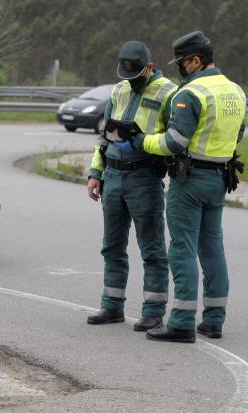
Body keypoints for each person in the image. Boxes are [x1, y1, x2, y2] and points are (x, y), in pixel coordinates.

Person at [128, 31, 246, 342]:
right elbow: (238, 134)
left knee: (182, 249)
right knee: (213, 250)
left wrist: (142, 140)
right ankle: (213, 321)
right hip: (220, 177)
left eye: (182, 62)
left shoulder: (191, 93)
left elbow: (173, 142)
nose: (180, 68)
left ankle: (180, 322)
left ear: (196, 60)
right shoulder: (235, 91)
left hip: (189, 179)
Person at [86, 41, 177, 331]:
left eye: (136, 75)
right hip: (112, 176)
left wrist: (143, 142)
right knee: (111, 246)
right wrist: (95, 172)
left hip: (144, 177)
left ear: (149, 67)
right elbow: (104, 136)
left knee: (151, 248)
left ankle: (153, 310)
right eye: (126, 76)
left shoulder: (168, 92)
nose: (130, 81)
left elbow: (173, 141)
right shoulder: (119, 90)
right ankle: (111, 306)